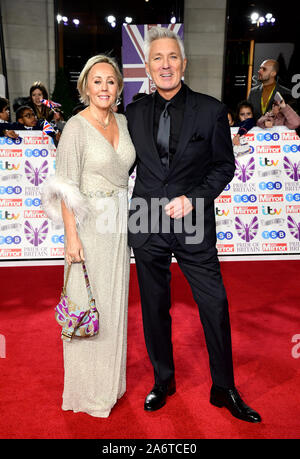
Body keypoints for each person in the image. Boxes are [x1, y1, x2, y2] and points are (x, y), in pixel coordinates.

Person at [126, 26, 261, 423]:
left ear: (183, 64)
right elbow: (118, 163)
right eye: (157, 59)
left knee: (214, 303)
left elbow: (224, 165)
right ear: (147, 68)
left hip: (193, 220)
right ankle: (162, 379)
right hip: (145, 220)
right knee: (154, 306)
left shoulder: (210, 108)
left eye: (172, 58)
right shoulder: (133, 112)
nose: (165, 65)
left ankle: (224, 386)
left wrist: (194, 198)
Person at [41, 55, 135, 418]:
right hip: (89, 226)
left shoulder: (123, 122)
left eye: (110, 81)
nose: (104, 88)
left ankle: (111, 384)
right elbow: (65, 188)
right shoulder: (76, 129)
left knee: (112, 305)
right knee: (85, 306)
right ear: (85, 87)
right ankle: (86, 391)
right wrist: (71, 239)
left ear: (118, 88)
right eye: (97, 81)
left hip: (118, 224)